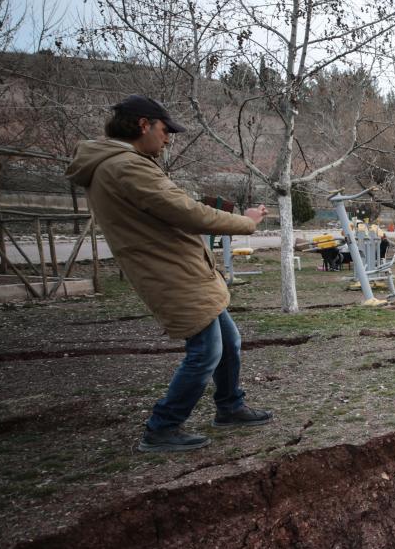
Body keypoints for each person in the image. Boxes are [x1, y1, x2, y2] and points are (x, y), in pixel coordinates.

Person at [66, 95, 275, 452]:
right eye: (165, 131)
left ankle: (230, 406)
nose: (168, 139)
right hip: (169, 272)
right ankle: (162, 427)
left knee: (229, 341)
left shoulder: (123, 164)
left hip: (179, 267)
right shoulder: (126, 167)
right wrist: (247, 222)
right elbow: (186, 211)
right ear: (143, 124)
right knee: (206, 351)